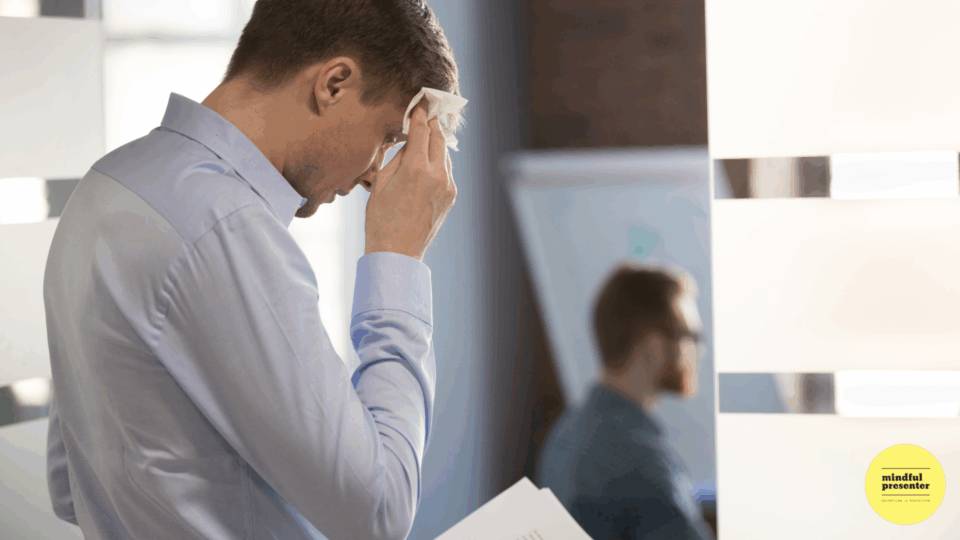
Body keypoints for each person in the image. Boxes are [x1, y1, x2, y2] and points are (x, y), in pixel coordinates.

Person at [42, 1, 460, 539]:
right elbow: (378, 513)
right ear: (334, 83)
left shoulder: (108, 183)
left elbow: (67, 483)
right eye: (385, 136)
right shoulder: (224, 226)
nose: (373, 175)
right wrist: (398, 254)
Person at [537, 262, 715, 540]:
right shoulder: (638, 458)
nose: (699, 351)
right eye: (691, 336)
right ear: (654, 346)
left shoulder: (565, 433)